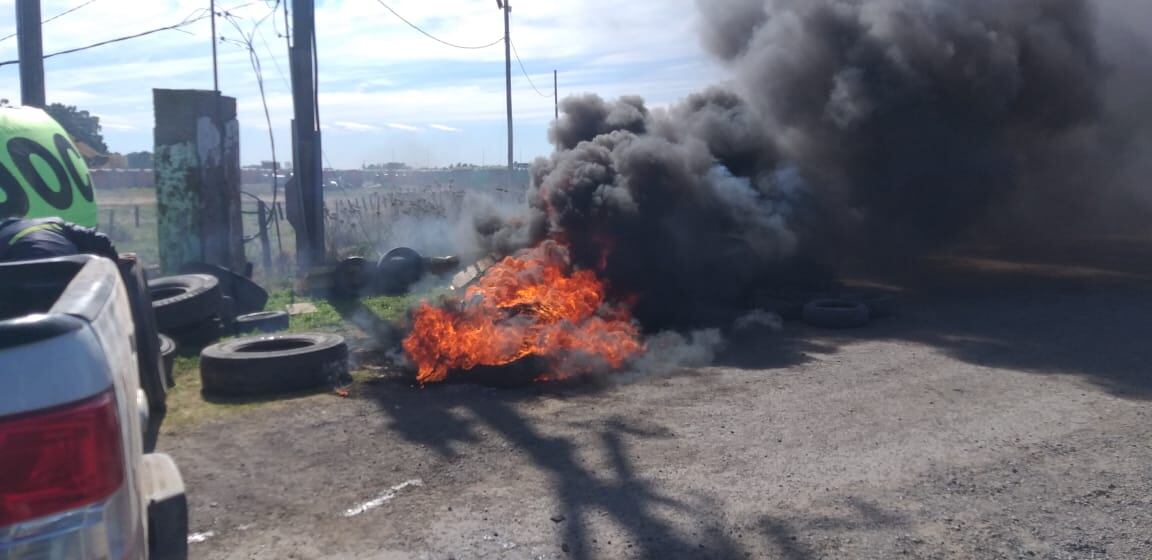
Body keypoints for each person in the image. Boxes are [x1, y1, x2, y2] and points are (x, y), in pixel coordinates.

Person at [0, 215, 122, 263]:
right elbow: (101, 240)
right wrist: (115, 263)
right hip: (68, 274)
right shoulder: (54, 222)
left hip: (21, 283)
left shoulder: (3, 235)